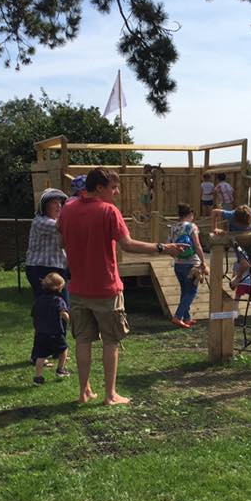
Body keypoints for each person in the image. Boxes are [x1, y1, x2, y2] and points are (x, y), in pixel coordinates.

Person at [58, 167, 185, 404]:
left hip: (77, 288)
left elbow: (61, 240)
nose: (116, 193)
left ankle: (84, 391)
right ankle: (110, 395)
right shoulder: (109, 211)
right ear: (99, 188)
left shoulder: (67, 209)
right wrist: (162, 248)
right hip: (106, 288)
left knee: (83, 340)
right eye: (113, 188)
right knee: (111, 340)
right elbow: (127, 245)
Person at [212, 204, 251, 305]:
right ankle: (238, 277)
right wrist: (214, 228)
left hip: (250, 241)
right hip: (238, 243)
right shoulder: (231, 215)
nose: (245, 226)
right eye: (243, 224)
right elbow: (214, 212)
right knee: (245, 263)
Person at [25, 188, 69, 304]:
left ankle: (60, 323)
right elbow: (62, 227)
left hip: (57, 268)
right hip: (41, 269)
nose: (59, 206)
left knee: (62, 305)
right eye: (54, 202)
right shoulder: (40, 221)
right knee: (50, 307)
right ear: (44, 206)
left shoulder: (58, 221)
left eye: (60, 203)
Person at [168, 203, 207, 328]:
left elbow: (168, 246)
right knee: (191, 292)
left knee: (185, 291)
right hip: (192, 264)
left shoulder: (173, 228)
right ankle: (178, 316)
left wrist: (176, 257)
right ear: (190, 215)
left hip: (178, 265)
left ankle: (187, 317)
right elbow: (197, 245)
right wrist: (203, 260)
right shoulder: (191, 227)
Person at [30, 272, 70, 385]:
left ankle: (38, 377)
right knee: (64, 349)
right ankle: (60, 370)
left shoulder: (39, 300)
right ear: (58, 287)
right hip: (55, 332)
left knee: (41, 355)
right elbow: (63, 314)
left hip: (41, 332)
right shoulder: (58, 300)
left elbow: (34, 314)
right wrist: (70, 319)